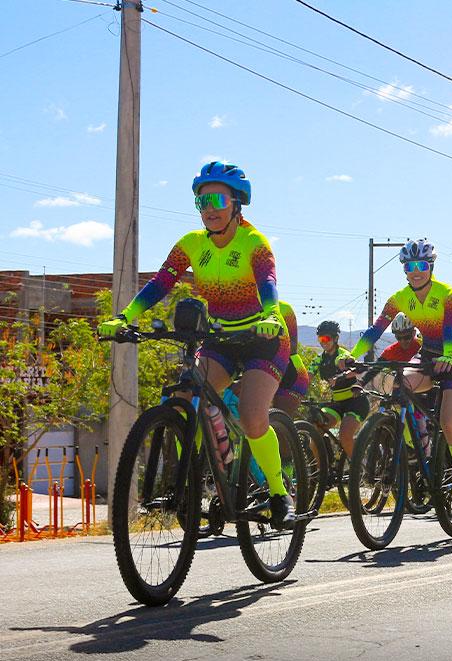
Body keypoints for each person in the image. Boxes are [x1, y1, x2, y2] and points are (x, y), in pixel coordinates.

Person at [98, 161, 295, 529]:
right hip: (221, 338)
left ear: (237, 203)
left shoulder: (253, 242)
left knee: (252, 417)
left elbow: (268, 283)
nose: (209, 209)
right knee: (186, 398)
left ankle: (279, 491)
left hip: (263, 339)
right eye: (202, 202)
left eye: (218, 200)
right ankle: (192, 481)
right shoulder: (191, 244)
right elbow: (160, 283)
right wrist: (125, 316)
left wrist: (271, 315)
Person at [347, 239, 452, 520]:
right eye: (409, 266)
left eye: (421, 265)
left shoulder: (447, 294)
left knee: (450, 423)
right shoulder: (399, 298)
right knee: (399, 387)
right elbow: (375, 330)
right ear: (404, 269)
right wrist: (352, 356)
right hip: (428, 356)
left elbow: (448, 330)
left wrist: (447, 355)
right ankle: (418, 449)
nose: (415, 271)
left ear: (430, 266)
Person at [311, 319, 367, 461]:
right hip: (337, 403)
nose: (323, 342)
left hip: (356, 402)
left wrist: (345, 369)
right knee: (315, 433)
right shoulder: (319, 359)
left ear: (335, 339)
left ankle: (359, 469)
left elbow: (354, 367)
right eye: (320, 339)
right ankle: (324, 471)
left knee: (345, 436)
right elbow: (306, 376)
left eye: (326, 338)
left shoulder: (342, 355)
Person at [272, 300, 310, 417]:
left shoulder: (283, 308)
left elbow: (292, 346)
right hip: (266, 370)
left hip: (292, 374)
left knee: (278, 419)